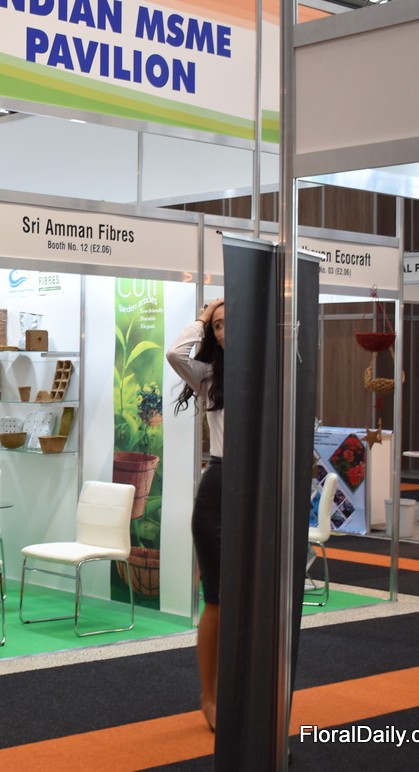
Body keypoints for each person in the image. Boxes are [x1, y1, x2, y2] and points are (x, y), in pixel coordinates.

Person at [166, 298, 225, 732]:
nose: (223, 331)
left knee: (256, 601)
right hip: (220, 489)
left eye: (229, 323)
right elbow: (176, 353)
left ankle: (247, 686)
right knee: (218, 601)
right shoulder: (208, 377)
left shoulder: (273, 372)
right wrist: (203, 317)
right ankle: (210, 696)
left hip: (263, 491)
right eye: (218, 327)